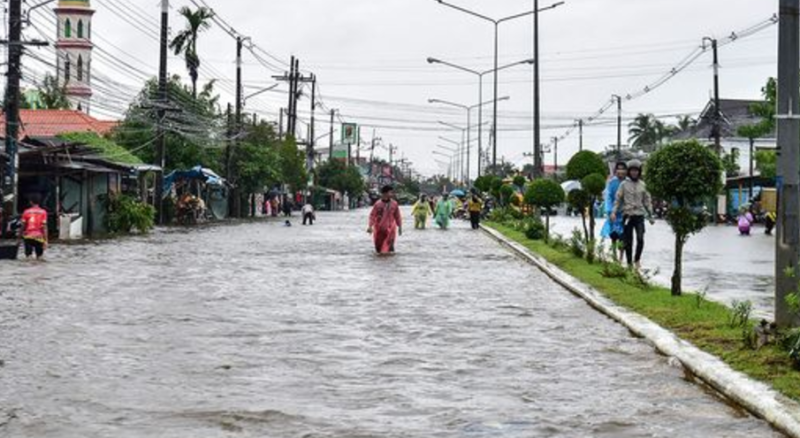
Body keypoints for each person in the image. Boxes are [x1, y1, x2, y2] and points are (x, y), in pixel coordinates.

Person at [612, 159, 655, 270]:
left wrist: (650, 214)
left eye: (636, 171)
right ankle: (629, 263)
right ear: (629, 172)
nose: (634, 173)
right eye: (632, 171)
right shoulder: (623, 185)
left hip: (639, 216)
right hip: (627, 215)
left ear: (639, 172)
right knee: (628, 241)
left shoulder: (643, 185)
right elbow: (618, 199)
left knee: (640, 238)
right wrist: (613, 212)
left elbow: (647, 200)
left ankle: (637, 259)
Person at [601, 162, 628, 261]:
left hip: (625, 213)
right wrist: (610, 211)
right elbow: (608, 197)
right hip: (613, 213)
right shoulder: (612, 182)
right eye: (619, 169)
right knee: (614, 236)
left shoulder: (628, 182)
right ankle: (614, 256)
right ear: (615, 170)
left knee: (624, 236)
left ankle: (621, 258)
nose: (621, 171)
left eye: (623, 169)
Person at [368, 185, 403, 254]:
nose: (392, 194)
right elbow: (372, 216)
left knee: (390, 248)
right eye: (390, 192)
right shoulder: (377, 204)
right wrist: (370, 226)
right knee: (378, 249)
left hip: (391, 229)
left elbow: (397, 216)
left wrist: (400, 226)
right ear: (385, 193)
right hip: (379, 229)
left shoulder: (394, 204)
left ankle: (389, 263)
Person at [20, 193, 48, 260]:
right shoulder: (43, 212)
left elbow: (23, 226)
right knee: (40, 257)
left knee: (28, 257)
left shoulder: (26, 212)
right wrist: (46, 240)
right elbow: (44, 227)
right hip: (39, 237)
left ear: (31, 202)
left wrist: (19, 237)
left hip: (28, 237)